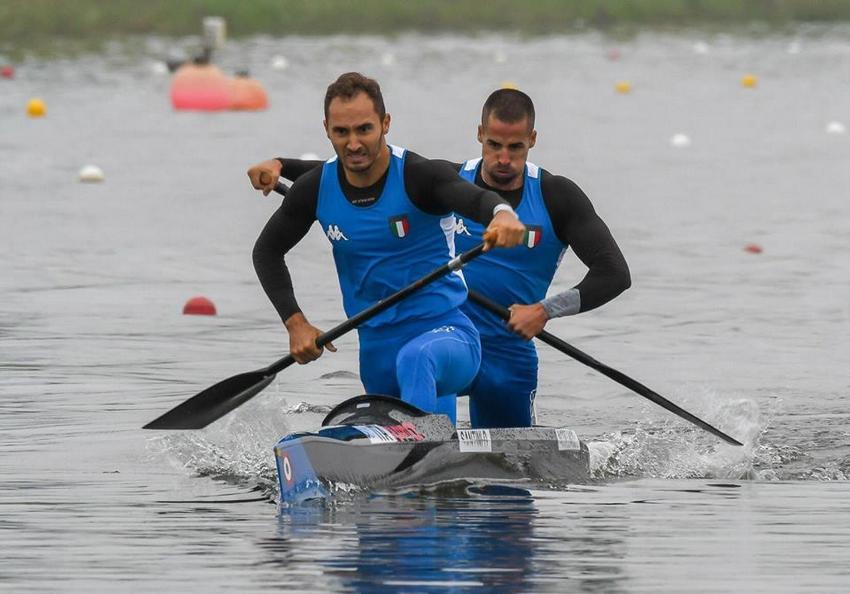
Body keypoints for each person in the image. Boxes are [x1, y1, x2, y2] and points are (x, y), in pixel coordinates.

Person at [251, 88, 631, 430]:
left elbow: (614, 274)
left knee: (505, 487)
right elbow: (360, 166)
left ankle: (430, 456)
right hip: (430, 338)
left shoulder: (557, 196)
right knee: (420, 363)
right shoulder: (444, 179)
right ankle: (423, 461)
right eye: (494, 144)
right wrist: (282, 165)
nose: (503, 159)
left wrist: (546, 310)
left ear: (532, 140)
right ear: (479, 134)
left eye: (515, 148)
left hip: (503, 348)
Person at [249, 73, 526, 425]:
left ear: (385, 123)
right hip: (376, 349)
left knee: (416, 359)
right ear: (326, 129)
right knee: (416, 426)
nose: (353, 144)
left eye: (364, 129)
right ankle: (428, 458)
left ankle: (421, 452)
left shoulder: (419, 177)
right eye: (341, 132)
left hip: (447, 337)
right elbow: (267, 252)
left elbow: (474, 197)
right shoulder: (315, 188)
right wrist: (296, 323)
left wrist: (501, 214)